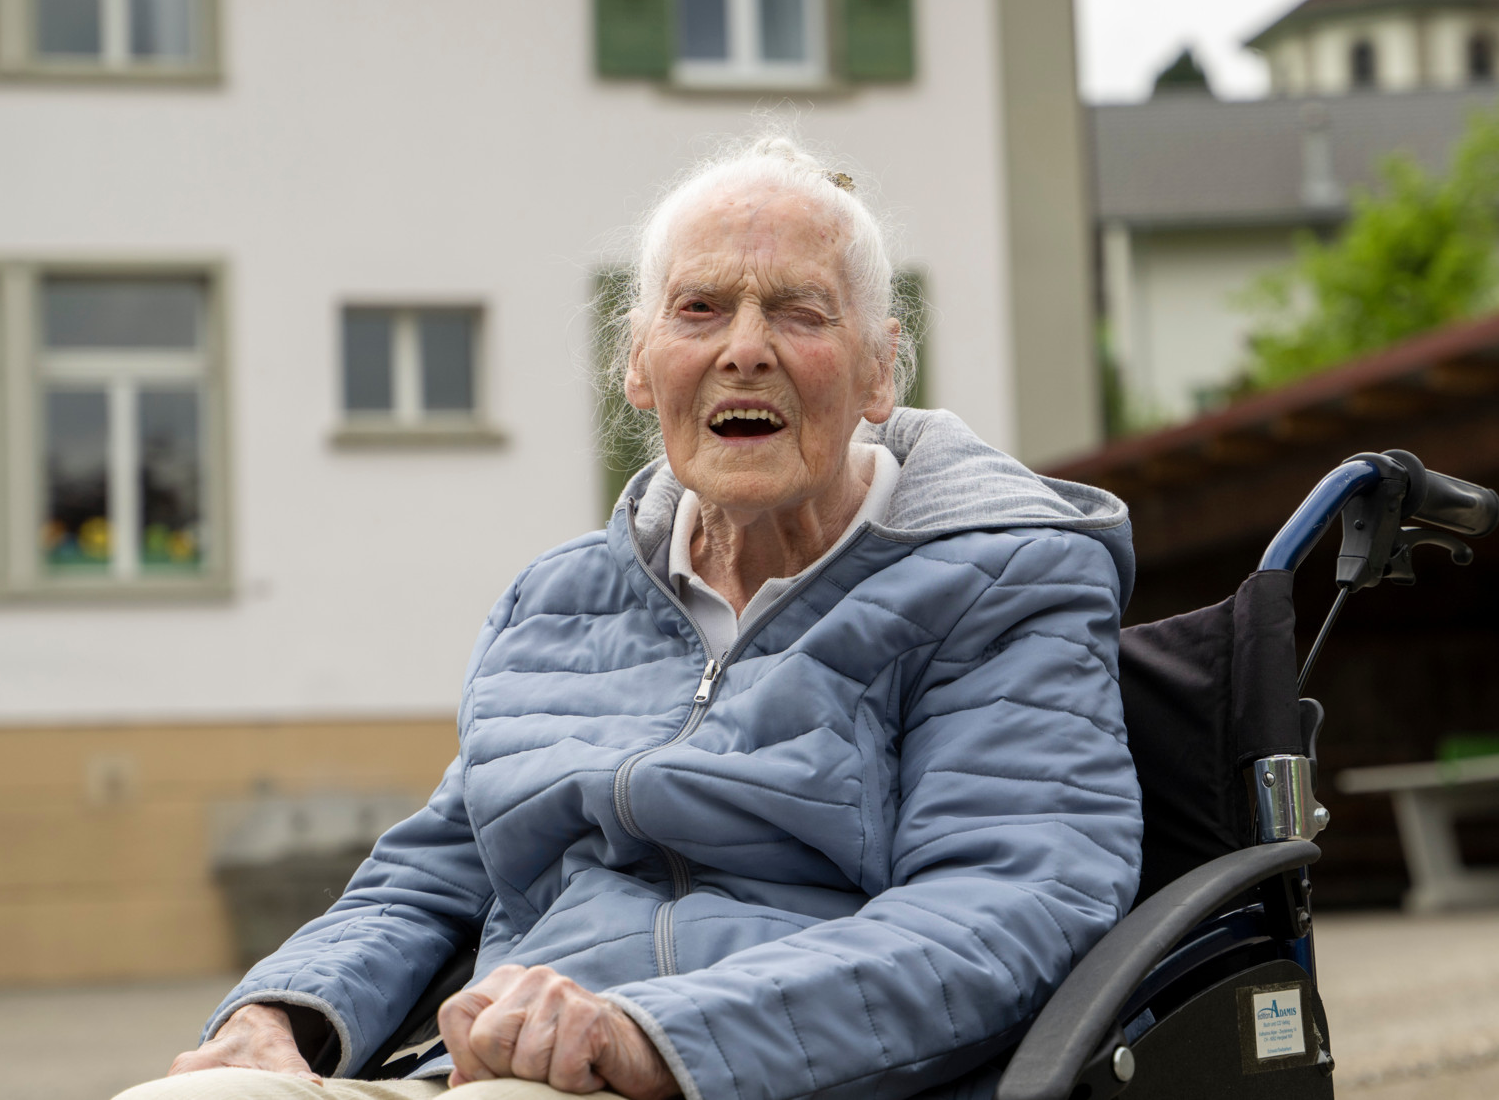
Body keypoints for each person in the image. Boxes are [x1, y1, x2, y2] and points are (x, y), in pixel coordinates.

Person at [117, 136, 1142, 1100]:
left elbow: (1006, 904)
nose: (745, 349)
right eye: (700, 309)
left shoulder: (1002, 580)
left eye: (799, 312)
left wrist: (653, 1035)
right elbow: (432, 876)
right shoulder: (560, 601)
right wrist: (280, 1014)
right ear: (639, 364)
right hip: (501, 1065)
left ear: (879, 368)